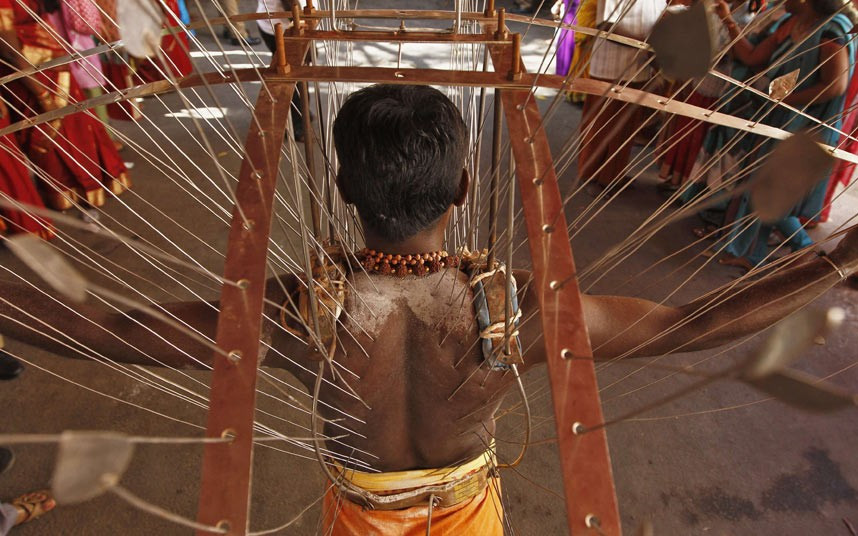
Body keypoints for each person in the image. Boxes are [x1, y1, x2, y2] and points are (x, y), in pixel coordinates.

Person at [0, 85, 856, 534]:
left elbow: (99, 329)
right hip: (468, 517)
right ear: (468, 185)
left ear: (340, 190)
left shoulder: (303, 312)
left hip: (359, 518)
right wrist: (837, 259)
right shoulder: (512, 306)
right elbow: (692, 323)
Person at [713, 0, 856, 270]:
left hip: (801, 125)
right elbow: (754, 57)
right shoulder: (797, 24)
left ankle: (804, 249)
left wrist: (786, 100)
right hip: (782, 118)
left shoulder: (830, 33)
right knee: (760, 182)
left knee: (769, 186)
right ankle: (757, 253)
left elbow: (835, 86)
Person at [0, 0, 130, 212]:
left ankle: (89, 187)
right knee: (51, 139)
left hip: (53, 64)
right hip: (31, 77)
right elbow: (9, 51)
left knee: (79, 130)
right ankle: (69, 194)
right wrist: (41, 93)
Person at [577, 0, 664, 190]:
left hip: (638, 68)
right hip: (611, 69)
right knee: (602, 125)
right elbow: (605, 25)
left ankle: (613, 175)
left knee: (625, 128)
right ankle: (592, 176)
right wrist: (642, 41)